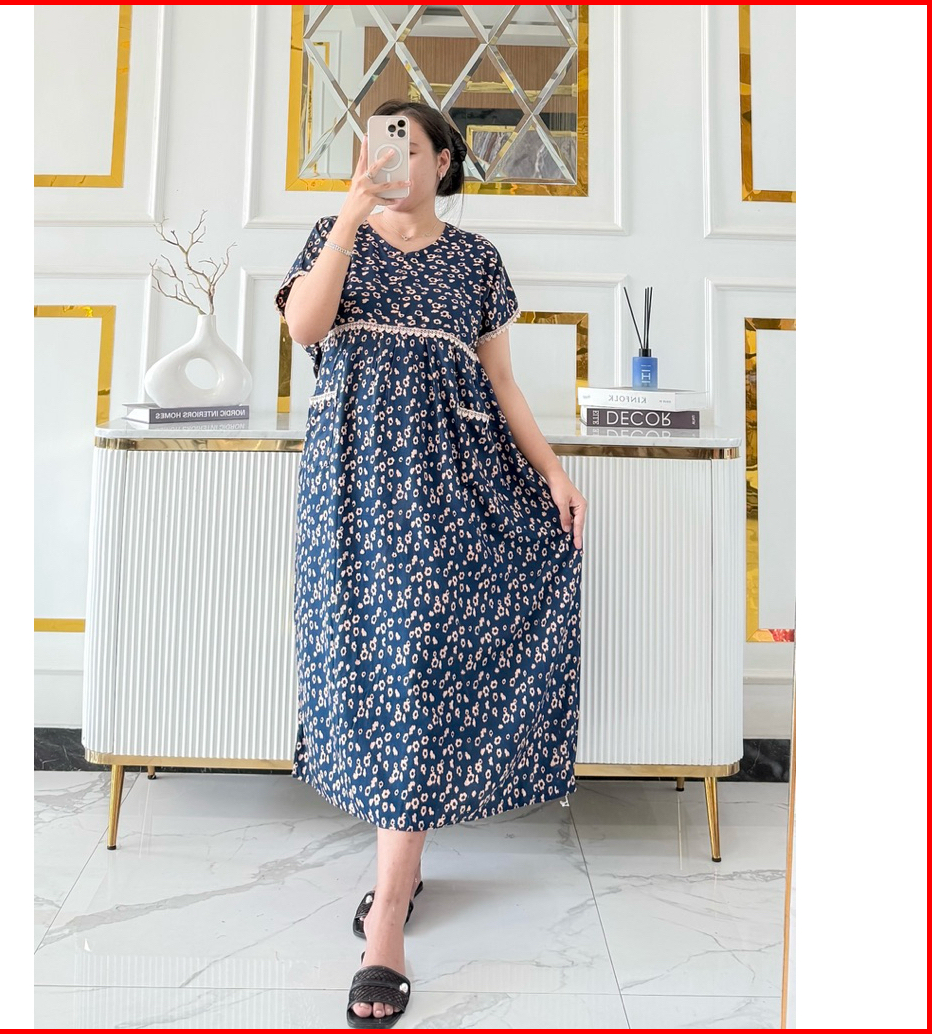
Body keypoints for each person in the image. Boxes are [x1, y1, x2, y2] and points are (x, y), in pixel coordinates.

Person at [274, 101, 586, 1029]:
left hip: (454, 491)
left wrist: (554, 473)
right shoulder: (333, 237)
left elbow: (502, 381)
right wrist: (348, 212)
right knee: (370, 674)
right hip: (351, 492)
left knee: (416, 680)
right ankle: (399, 878)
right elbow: (304, 329)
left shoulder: (476, 259)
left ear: (443, 161)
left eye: (406, 144)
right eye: (376, 144)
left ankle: (387, 928)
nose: (388, 158)